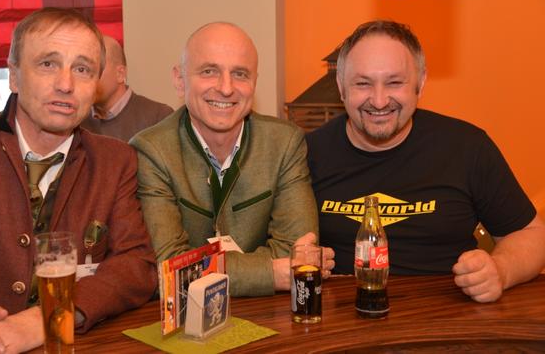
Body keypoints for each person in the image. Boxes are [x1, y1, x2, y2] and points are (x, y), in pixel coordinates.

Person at [0, 8, 157, 353]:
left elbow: (136, 265)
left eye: (82, 69)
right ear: (13, 75)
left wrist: (51, 317)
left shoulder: (115, 160)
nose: (66, 84)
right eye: (48, 64)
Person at [306, 19, 545, 303]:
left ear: (420, 83)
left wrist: (500, 270)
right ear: (341, 87)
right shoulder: (307, 153)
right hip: (343, 316)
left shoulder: (467, 147)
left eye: (395, 82)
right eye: (363, 83)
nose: (379, 101)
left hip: (448, 317)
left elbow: (532, 235)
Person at [130, 22, 335, 297]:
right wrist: (269, 273)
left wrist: (202, 268)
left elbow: (297, 251)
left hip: (269, 311)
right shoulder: (152, 151)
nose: (226, 88)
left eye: (240, 74)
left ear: (254, 83)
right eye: (209, 71)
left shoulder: (284, 143)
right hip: (186, 317)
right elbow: (167, 268)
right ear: (180, 80)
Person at [81, 35, 173, 141]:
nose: (87, 77)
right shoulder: (78, 118)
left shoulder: (158, 117)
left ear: (120, 74)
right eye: (83, 69)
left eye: (96, 68)